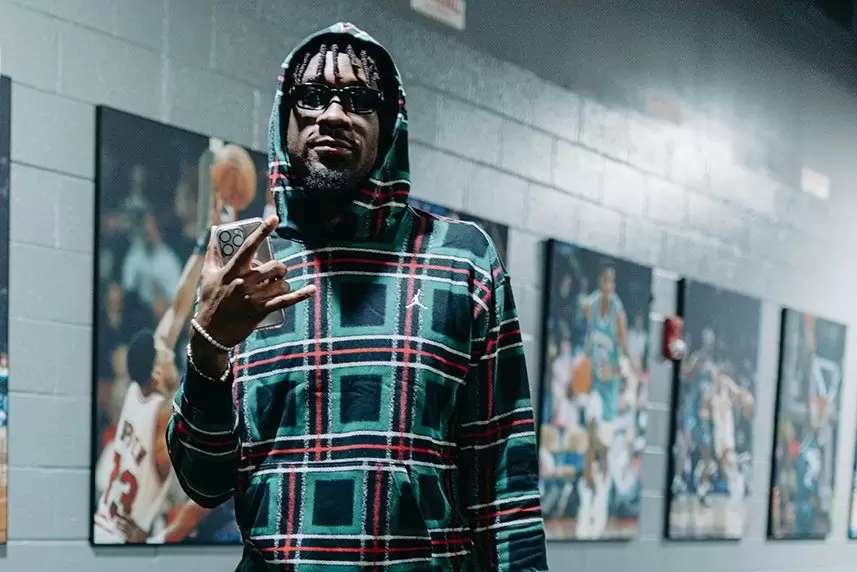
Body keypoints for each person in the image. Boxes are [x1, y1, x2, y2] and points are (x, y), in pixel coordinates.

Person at [166, 22, 548, 571]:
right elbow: (203, 483)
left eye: (359, 100)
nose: (333, 114)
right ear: (284, 117)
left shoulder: (462, 259)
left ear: (389, 123)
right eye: (312, 95)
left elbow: (505, 486)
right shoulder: (248, 270)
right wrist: (207, 350)